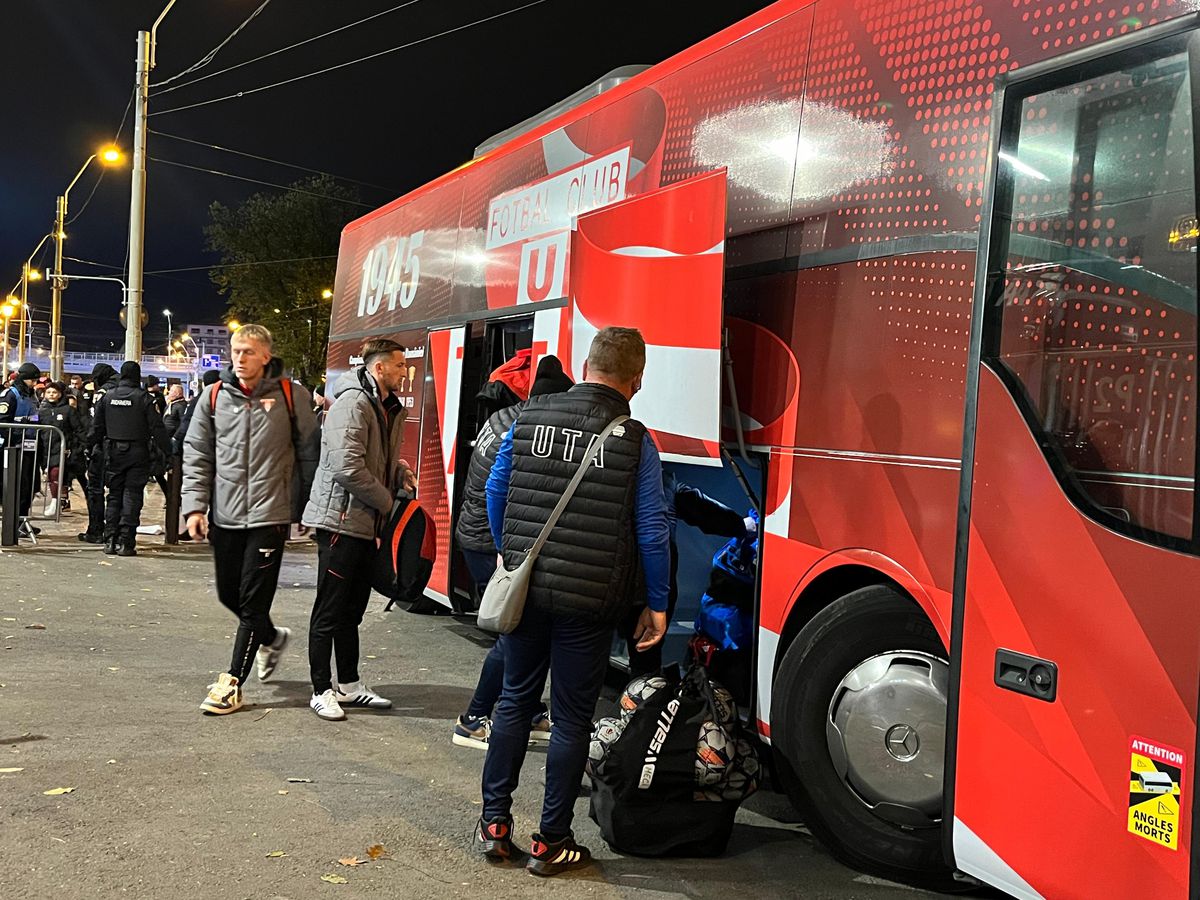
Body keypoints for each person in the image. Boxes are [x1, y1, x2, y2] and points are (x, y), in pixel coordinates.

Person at [477, 327, 669, 876]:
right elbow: (651, 529)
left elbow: (495, 490)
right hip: (590, 600)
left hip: (528, 590)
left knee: (513, 700)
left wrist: (510, 556)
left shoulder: (530, 416)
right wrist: (657, 602)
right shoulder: (635, 439)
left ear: (586, 365)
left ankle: (495, 825)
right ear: (637, 379)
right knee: (571, 720)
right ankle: (551, 841)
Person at [182, 324, 318, 715]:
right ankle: (272, 638)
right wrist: (194, 507)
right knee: (231, 594)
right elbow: (197, 453)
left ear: (265, 356)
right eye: (235, 350)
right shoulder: (213, 397)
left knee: (254, 599)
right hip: (224, 513)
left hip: (270, 513)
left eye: (247, 352)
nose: (239, 358)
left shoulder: (293, 396)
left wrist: (305, 507)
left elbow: (310, 455)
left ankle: (231, 683)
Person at [451, 355, 573, 749]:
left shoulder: (502, 417)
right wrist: (507, 549)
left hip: (476, 536)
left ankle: (531, 712)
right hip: (494, 544)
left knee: (520, 633)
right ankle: (472, 719)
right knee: (512, 633)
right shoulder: (529, 429)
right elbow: (501, 491)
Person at [302, 338, 413, 721]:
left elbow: (376, 458)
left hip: (364, 522)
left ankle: (348, 684)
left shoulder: (385, 406)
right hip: (340, 521)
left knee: (352, 610)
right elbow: (346, 467)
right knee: (329, 609)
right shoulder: (353, 404)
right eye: (400, 365)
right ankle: (320, 689)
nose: (405, 371)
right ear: (379, 368)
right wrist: (388, 501)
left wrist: (399, 473)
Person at [620, 472, 756, 676]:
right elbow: (701, 508)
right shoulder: (661, 477)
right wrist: (742, 526)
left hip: (605, 581)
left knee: (585, 654)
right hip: (650, 586)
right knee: (645, 662)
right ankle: (641, 701)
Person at [90, 361, 171, 556]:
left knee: (114, 495)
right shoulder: (144, 399)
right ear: (137, 376)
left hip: (113, 452)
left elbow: (96, 427)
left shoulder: (107, 397)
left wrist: (91, 448)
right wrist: (169, 451)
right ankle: (126, 542)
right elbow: (157, 428)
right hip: (137, 452)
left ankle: (110, 540)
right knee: (132, 496)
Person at [0, 362, 43, 539]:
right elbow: (3, 419)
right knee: (13, 486)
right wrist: (20, 427)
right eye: (32, 380)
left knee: (29, 485)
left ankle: (22, 519)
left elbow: (35, 416)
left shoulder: (31, 395)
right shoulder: (10, 394)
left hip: (30, 445)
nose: (34, 384)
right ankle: (13, 522)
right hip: (12, 448)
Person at [78, 363, 119, 543]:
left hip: (102, 446)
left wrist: (89, 443)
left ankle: (96, 530)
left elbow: (96, 423)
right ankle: (114, 532)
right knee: (118, 491)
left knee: (95, 489)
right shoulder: (128, 390)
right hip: (123, 447)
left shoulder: (103, 393)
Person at [36, 381, 87, 518]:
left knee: (56, 473)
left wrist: (80, 446)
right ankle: (60, 501)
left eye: (54, 392)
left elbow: (78, 429)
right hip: (47, 449)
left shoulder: (68, 410)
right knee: (52, 476)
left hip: (64, 449)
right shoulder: (41, 411)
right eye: (49, 392)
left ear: (60, 394)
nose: (51, 395)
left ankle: (55, 502)